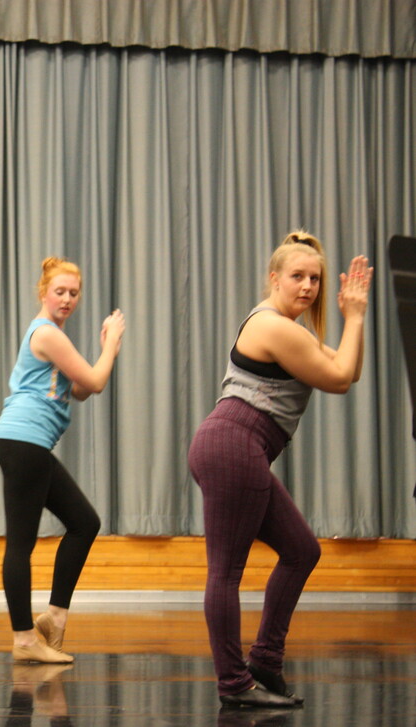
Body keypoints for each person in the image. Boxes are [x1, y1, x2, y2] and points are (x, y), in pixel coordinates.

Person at [188, 231, 372, 708]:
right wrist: (352, 316)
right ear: (274, 278)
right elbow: (338, 380)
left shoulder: (294, 332)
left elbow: (349, 369)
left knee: (301, 550)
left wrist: (357, 319)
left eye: (315, 278)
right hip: (234, 442)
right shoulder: (273, 325)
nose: (308, 286)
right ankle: (234, 685)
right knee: (225, 573)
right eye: (297, 276)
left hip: (239, 446)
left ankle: (265, 659)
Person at [0, 257, 125, 664]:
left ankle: (53, 618)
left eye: (73, 293)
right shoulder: (47, 333)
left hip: (28, 445)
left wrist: (96, 359)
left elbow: (81, 389)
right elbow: (97, 382)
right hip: (23, 441)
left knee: (86, 523)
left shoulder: (55, 337)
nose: (67, 299)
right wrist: (112, 345)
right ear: (43, 292)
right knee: (21, 544)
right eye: (59, 292)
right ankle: (24, 638)